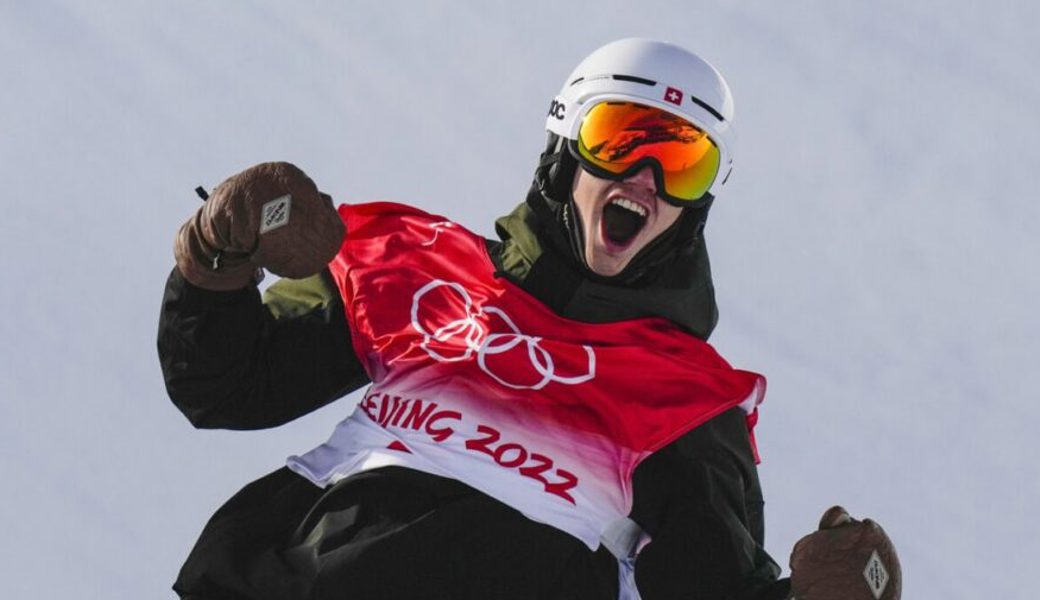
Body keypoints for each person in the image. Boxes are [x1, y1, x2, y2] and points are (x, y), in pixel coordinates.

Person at [159, 38, 900, 600]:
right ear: (565, 146)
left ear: (696, 205)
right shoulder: (420, 269)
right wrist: (218, 256)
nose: (645, 177)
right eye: (620, 136)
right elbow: (226, 386)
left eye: (683, 162)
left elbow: (708, 583)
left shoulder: (685, 403)